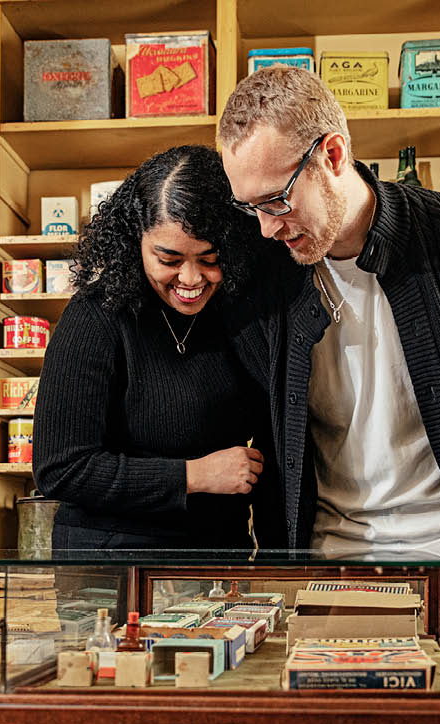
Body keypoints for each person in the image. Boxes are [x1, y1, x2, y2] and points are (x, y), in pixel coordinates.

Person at [217, 66, 440, 558]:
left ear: (332, 155)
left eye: (276, 201)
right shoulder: (266, 269)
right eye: (253, 208)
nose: (268, 229)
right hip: (323, 558)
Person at [32, 145, 280, 552]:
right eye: (169, 258)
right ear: (135, 242)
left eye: (210, 258)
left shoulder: (242, 316)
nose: (191, 278)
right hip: (109, 560)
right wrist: (194, 475)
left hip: (217, 556)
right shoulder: (96, 315)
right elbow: (61, 468)